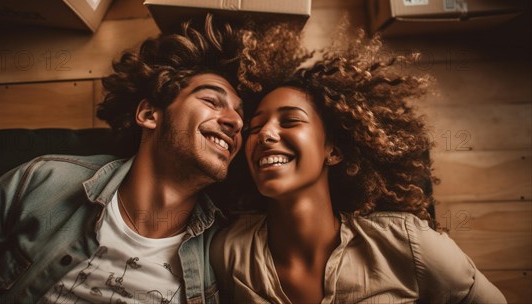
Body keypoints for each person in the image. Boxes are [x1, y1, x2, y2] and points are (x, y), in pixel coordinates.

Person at [0, 14, 253, 303]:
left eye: (241, 116)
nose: (236, 122)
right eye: (212, 101)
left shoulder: (227, 251)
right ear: (149, 113)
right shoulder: (42, 182)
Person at [211, 30, 507, 303]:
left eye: (290, 120)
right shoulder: (228, 253)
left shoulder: (409, 246)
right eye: (255, 127)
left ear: (334, 150)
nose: (265, 134)